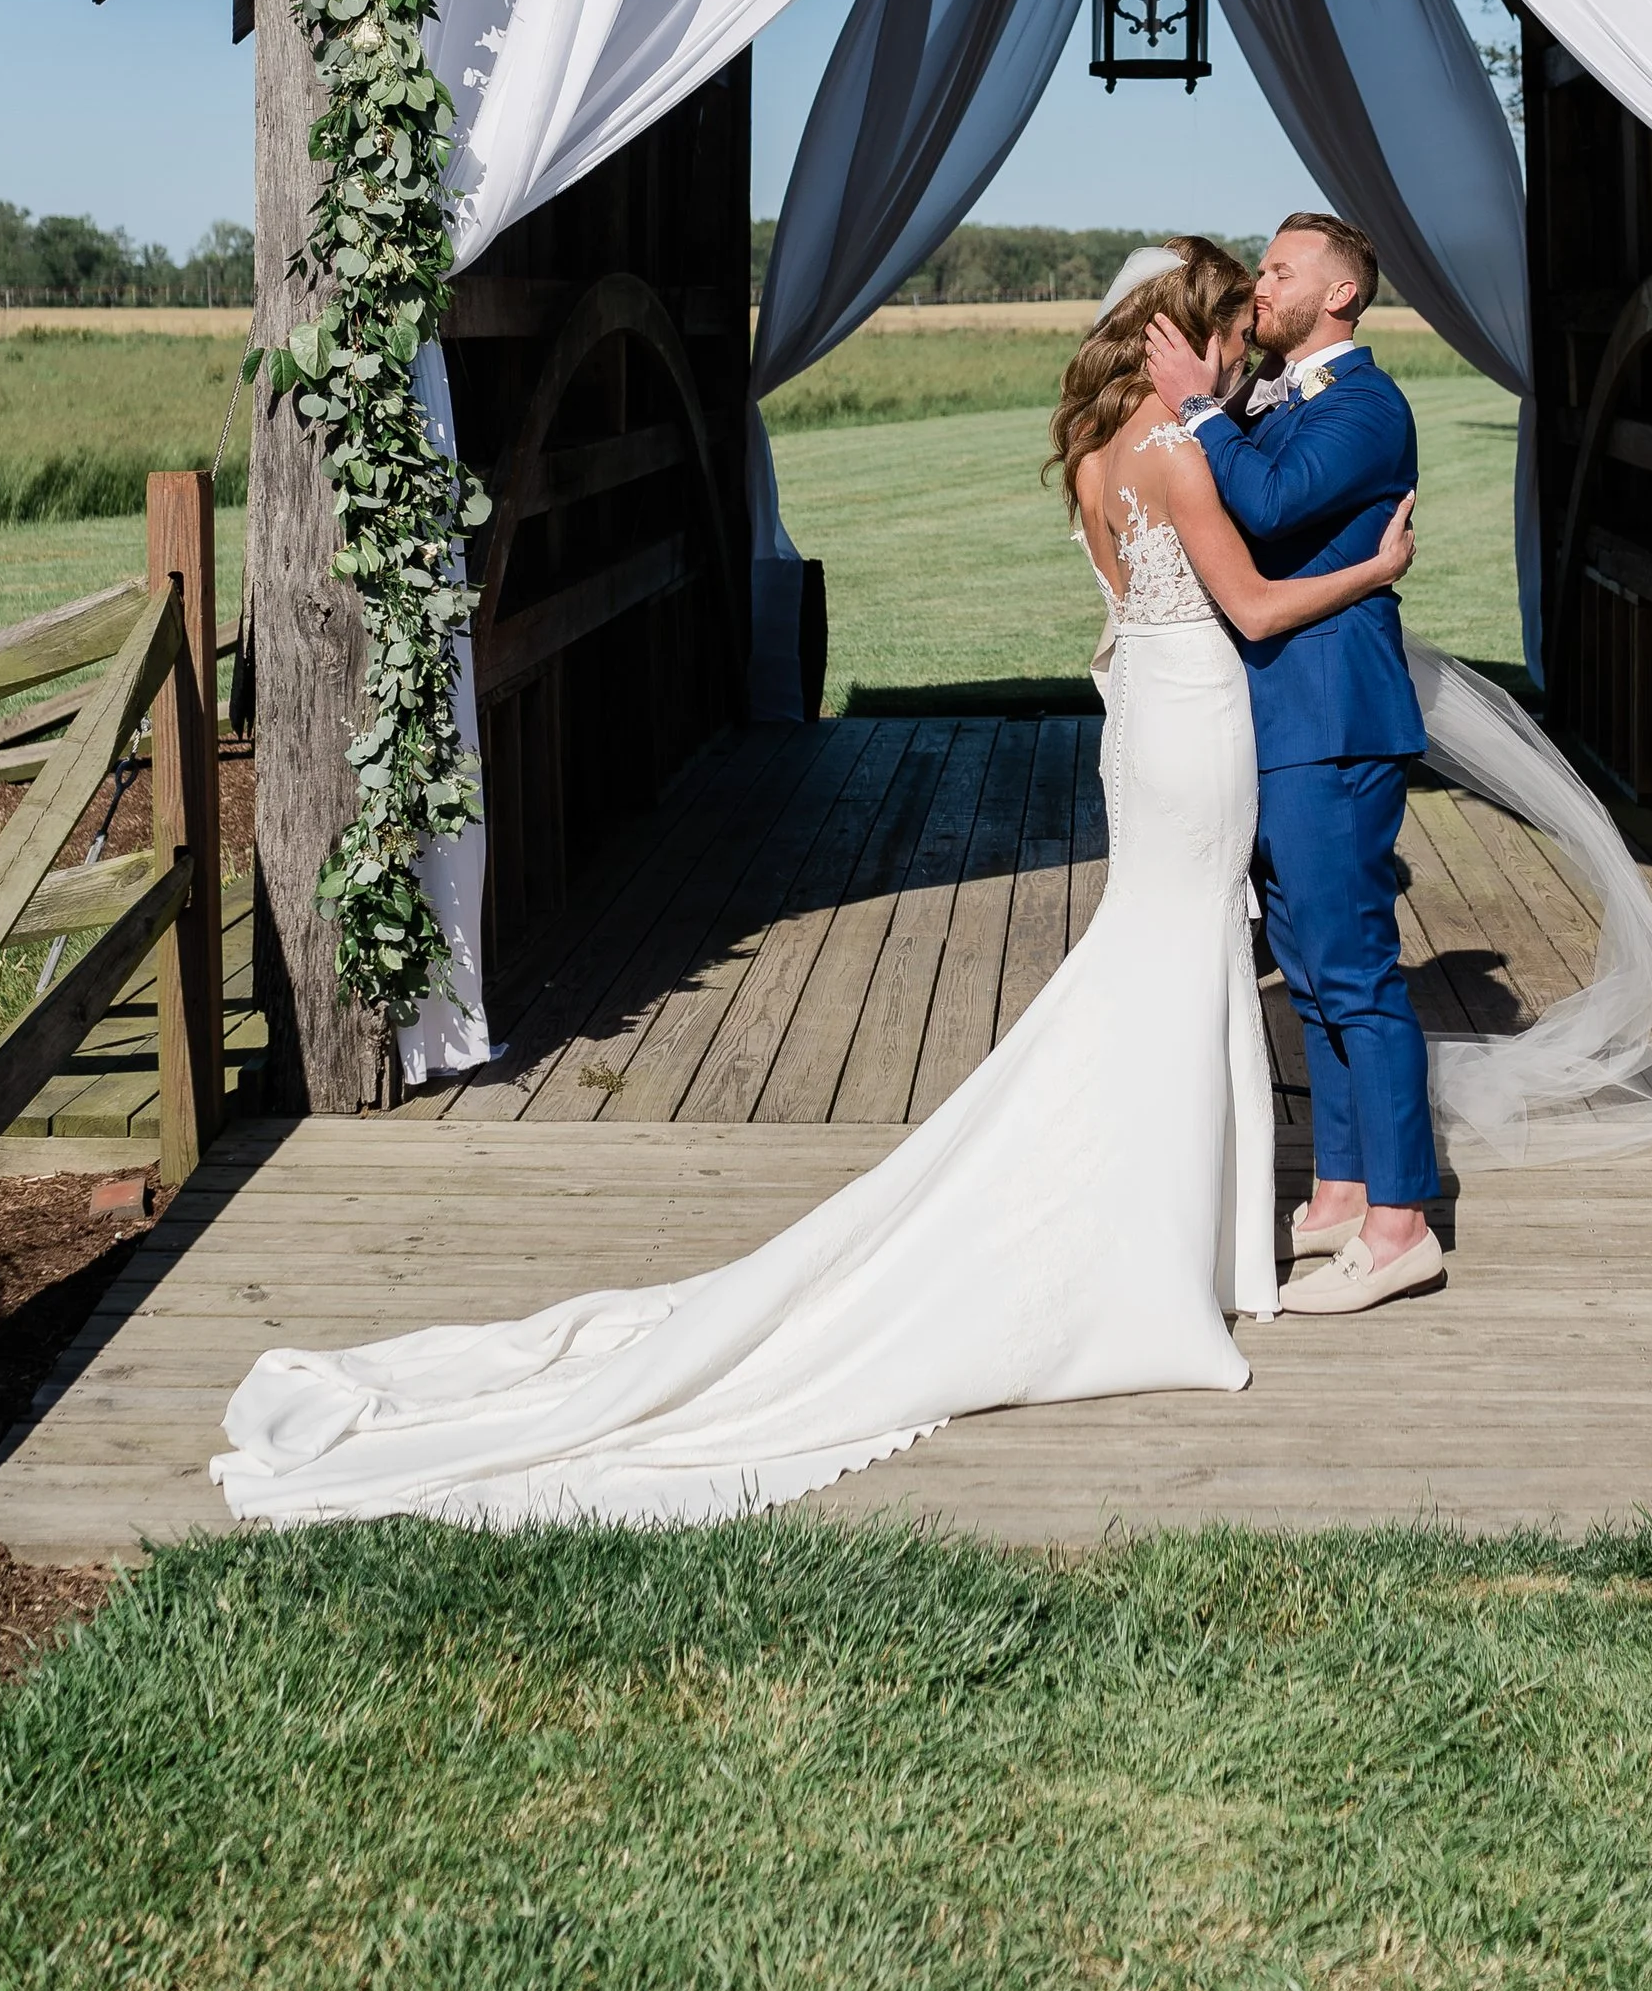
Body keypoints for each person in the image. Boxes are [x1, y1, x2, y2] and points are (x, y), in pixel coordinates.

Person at [211, 239, 1414, 1532]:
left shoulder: (1094, 449)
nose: (1236, 351)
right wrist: (1375, 569)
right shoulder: (1178, 447)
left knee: (1156, 958)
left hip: (1145, 728)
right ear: (1180, 332)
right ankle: (1176, 1243)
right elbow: (1254, 604)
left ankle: (1182, 1221)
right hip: (1201, 720)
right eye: (1225, 328)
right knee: (1182, 959)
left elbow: (1135, 599)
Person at [1145, 212, 1443, 1318]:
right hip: (1272, 722)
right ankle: (1337, 1189)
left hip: (1332, 716)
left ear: (1339, 298)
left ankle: (1402, 1225)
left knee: (1357, 971)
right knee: (1309, 973)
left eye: (1278, 271)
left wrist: (1191, 410)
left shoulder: (1368, 407)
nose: (1258, 284)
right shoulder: (1264, 399)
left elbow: (1263, 505)